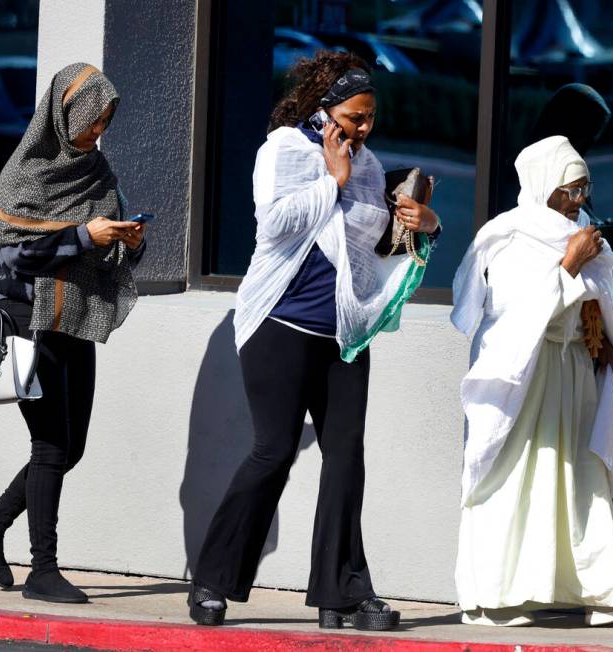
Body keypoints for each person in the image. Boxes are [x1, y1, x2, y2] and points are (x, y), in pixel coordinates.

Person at [187, 51, 440, 631]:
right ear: (325, 109)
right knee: (273, 451)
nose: (364, 127)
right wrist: (333, 178)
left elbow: (372, 250)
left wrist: (422, 225)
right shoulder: (283, 149)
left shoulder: (371, 166)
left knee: (346, 459)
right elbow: (274, 224)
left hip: (344, 334)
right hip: (279, 324)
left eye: (371, 116)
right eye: (355, 115)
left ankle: (342, 595)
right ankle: (212, 581)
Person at [450, 136, 613, 627]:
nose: (578, 201)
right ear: (545, 186)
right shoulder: (510, 233)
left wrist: (603, 338)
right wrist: (569, 262)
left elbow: (594, 294)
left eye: (584, 189)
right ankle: (491, 599)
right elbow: (512, 312)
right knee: (512, 479)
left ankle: (603, 592)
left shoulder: (581, 229)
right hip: (523, 375)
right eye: (570, 190)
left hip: (572, 367)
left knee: (578, 478)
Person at [0, 62, 146, 604]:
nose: (98, 132)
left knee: (73, 447)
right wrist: (84, 236)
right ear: (64, 115)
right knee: (50, 445)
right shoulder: (23, 174)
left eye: (106, 121)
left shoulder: (98, 171)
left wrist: (129, 244)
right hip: (27, 319)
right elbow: (16, 252)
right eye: (93, 120)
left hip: (75, 319)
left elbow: (106, 246)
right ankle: (43, 569)